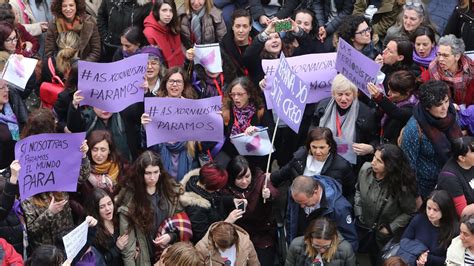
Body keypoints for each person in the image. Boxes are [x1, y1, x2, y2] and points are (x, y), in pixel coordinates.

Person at [20, 108, 91, 250]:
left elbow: (82, 176)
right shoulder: (26, 175)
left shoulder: (58, 154)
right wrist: (50, 213)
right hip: (46, 250)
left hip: (67, 239)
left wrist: (82, 156)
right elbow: (32, 229)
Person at [115, 150, 183, 265]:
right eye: (148, 173)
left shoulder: (169, 190)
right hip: (144, 256)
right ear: (140, 173)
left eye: (156, 172)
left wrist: (171, 236)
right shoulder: (130, 198)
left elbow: (179, 221)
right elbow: (128, 247)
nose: (152, 177)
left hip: (167, 252)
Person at [355, 144, 418, 264]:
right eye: (374, 157)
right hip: (363, 228)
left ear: (390, 165)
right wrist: (359, 212)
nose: (373, 162)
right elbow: (358, 190)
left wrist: (390, 228)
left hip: (383, 237)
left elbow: (410, 212)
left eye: (379, 161)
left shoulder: (401, 186)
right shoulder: (365, 169)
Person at [400, 80, 463, 198]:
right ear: (427, 107)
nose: (445, 107)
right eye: (439, 104)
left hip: (454, 179)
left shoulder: (451, 113)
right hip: (427, 189)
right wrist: (416, 196)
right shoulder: (413, 129)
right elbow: (408, 167)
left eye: (446, 101)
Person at [221, 156, 279, 265]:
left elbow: (274, 192)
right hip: (239, 235)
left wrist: (269, 194)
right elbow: (220, 199)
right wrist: (232, 201)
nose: (244, 181)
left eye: (247, 176)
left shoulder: (260, 179)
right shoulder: (226, 187)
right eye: (239, 178)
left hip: (262, 233)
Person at [141, 67, 197, 181]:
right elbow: (147, 145)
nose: (174, 85)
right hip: (160, 157)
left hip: (185, 158)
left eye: (178, 82)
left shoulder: (193, 108)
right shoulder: (154, 107)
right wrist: (145, 127)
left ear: (184, 85)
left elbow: (202, 144)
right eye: (171, 81)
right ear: (165, 83)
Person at [313, 74, 379, 168]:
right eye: (339, 94)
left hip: (350, 165)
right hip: (322, 158)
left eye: (348, 94)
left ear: (355, 94)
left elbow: (375, 139)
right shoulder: (322, 106)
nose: (343, 99)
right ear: (333, 94)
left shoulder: (366, 113)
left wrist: (371, 148)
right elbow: (312, 130)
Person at [270, 127, 356, 199]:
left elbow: (351, 192)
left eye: (322, 147)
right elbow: (282, 174)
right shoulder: (300, 156)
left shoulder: (342, 166)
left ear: (329, 146)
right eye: (314, 147)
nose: (317, 151)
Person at [287, 175, 358, 251]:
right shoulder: (297, 193)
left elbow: (350, 241)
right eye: (298, 202)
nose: (301, 206)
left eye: (305, 203)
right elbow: (290, 219)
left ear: (315, 192)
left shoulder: (339, 209)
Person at [180, 163, 244, 244]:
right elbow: (203, 237)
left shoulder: (200, 182)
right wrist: (227, 222)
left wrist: (232, 200)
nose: (218, 190)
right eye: (217, 188)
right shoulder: (195, 208)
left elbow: (216, 198)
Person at [220, 77, 273, 170]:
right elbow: (222, 135)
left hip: (254, 157)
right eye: (233, 94)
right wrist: (218, 121)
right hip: (233, 155)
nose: (236, 98)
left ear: (249, 94)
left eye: (240, 94)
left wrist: (258, 130)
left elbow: (270, 131)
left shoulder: (259, 110)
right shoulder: (227, 109)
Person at [398, 190, 459, 266]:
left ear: (445, 210)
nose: (430, 213)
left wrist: (427, 258)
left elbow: (451, 260)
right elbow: (404, 241)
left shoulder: (454, 230)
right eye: (429, 208)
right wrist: (420, 252)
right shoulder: (419, 219)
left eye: (435, 210)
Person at [367, 70, 418, 144]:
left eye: (393, 92)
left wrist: (379, 98)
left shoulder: (413, 107)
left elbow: (396, 112)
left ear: (407, 93)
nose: (388, 93)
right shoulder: (393, 100)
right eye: (389, 89)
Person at [286, 217, 356, 266]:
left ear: (333, 239)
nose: (321, 250)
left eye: (326, 246)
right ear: (309, 239)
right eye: (316, 245)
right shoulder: (296, 245)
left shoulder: (345, 250)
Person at [428, 34, 474, 106]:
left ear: (457, 56)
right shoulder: (433, 68)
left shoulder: (471, 68)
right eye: (439, 54)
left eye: (445, 55)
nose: (440, 59)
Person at [86, 188, 126, 266]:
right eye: (102, 207)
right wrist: (117, 249)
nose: (107, 209)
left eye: (109, 203)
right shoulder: (92, 231)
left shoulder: (119, 218)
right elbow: (99, 260)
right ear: (96, 210)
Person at [437, 136, 474, 217]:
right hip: (463, 221)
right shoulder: (449, 178)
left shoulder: (471, 162)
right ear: (462, 158)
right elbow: (462, 212)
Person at [195, 221, 260, 265]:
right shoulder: (201, 248)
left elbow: (254, 263)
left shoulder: (245, 243)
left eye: (229, 247)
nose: (224, 251)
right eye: (221, 247)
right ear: (214, 239)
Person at [143, 0, 185, 68]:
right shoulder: (149, 33)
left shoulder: (173, 25)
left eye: (171, 11)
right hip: (163, 73)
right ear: (157, 11)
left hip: (179, 69)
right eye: (164, 10)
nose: (168, 14)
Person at [0, 79, 27, 170]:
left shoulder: (11, 105)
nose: (7, 90)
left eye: (6, 86)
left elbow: (25, 122)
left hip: (17, 162)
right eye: (2, 87)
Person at [221, 9, 254, 77]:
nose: (241, 30)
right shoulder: (224, 46)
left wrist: (282, 25)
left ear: (250, 27)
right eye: (238, 26)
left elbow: (273, 29)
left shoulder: (259, 43)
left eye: (245, 26)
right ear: (232, 27)